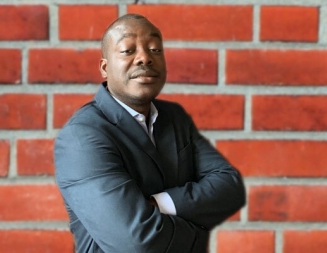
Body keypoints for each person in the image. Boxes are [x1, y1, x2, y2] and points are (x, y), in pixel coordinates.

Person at [54, 13, 245, 253]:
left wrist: (158, 204)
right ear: (105, 68)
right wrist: (200, 235)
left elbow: (230, 187)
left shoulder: (175, 118)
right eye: (127, 50)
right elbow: (136, 242)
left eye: (155, 49)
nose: (144, 58)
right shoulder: (81, 137)